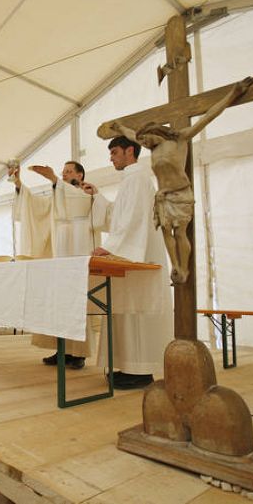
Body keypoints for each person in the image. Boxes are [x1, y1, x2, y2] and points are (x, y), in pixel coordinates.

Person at [110, 77, 252, 283]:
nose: (143, 143)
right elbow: (133, 136)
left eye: (145, 139)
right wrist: (121, 128)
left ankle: (183, 268)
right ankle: (175, 267)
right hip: (163, 196)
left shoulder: (179, 138)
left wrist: (233, 94)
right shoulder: (153, 147)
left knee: (180, 232)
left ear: (154, 132)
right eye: (142, 141)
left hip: (180, 193)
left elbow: (209, 116)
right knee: (166, 231)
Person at [83, 136, 173, 389]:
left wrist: (110, 247)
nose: (111, 157)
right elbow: (117, 216)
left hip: (139, 256)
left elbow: (133, 219)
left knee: (138, 313)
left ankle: (141, 372)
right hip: (132, 253)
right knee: (127, 312)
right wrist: (98, 197)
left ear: (130, 151)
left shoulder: (137, 178)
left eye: (114, 152)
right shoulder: (130, 180)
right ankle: (130, 367)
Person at [11, 161, 108, 369]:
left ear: (81, 175)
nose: (65, 175)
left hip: (80, 245)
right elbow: (36, 206)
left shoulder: (88, 192)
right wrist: (19, 184)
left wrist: (54, 179)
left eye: (69, 171)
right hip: (60, 248)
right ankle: (62, 349)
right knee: (60, 300)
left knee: (79, 301)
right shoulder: (58, 193)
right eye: (63, 172)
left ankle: (78, 353)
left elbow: (85, 204)